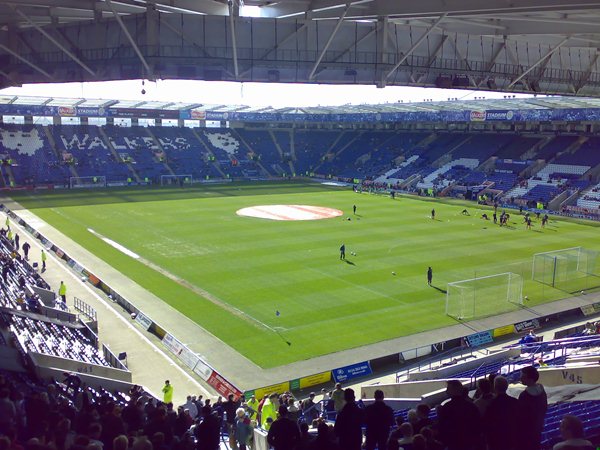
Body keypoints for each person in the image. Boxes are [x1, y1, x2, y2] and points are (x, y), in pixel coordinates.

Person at [437, 380, 482, 450]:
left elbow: (442, 428)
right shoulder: (471, 406)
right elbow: (478, 427)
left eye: (448, 389)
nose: (446, 391)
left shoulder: (446, 408)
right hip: (470, 444)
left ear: (453, 390)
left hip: (453, 445)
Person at [484, 376, 520, 450]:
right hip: (513, 439)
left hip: (497, 442)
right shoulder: (515, 402)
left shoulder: (491, 404)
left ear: (495, 387)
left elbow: (488, 426)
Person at [517, 366, 548, 450]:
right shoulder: (542, 390)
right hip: (538, 428)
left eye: (523, 376)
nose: (520, 378)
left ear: (530, 378)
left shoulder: (524, 396)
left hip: (527, 433)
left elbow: (521, 416)